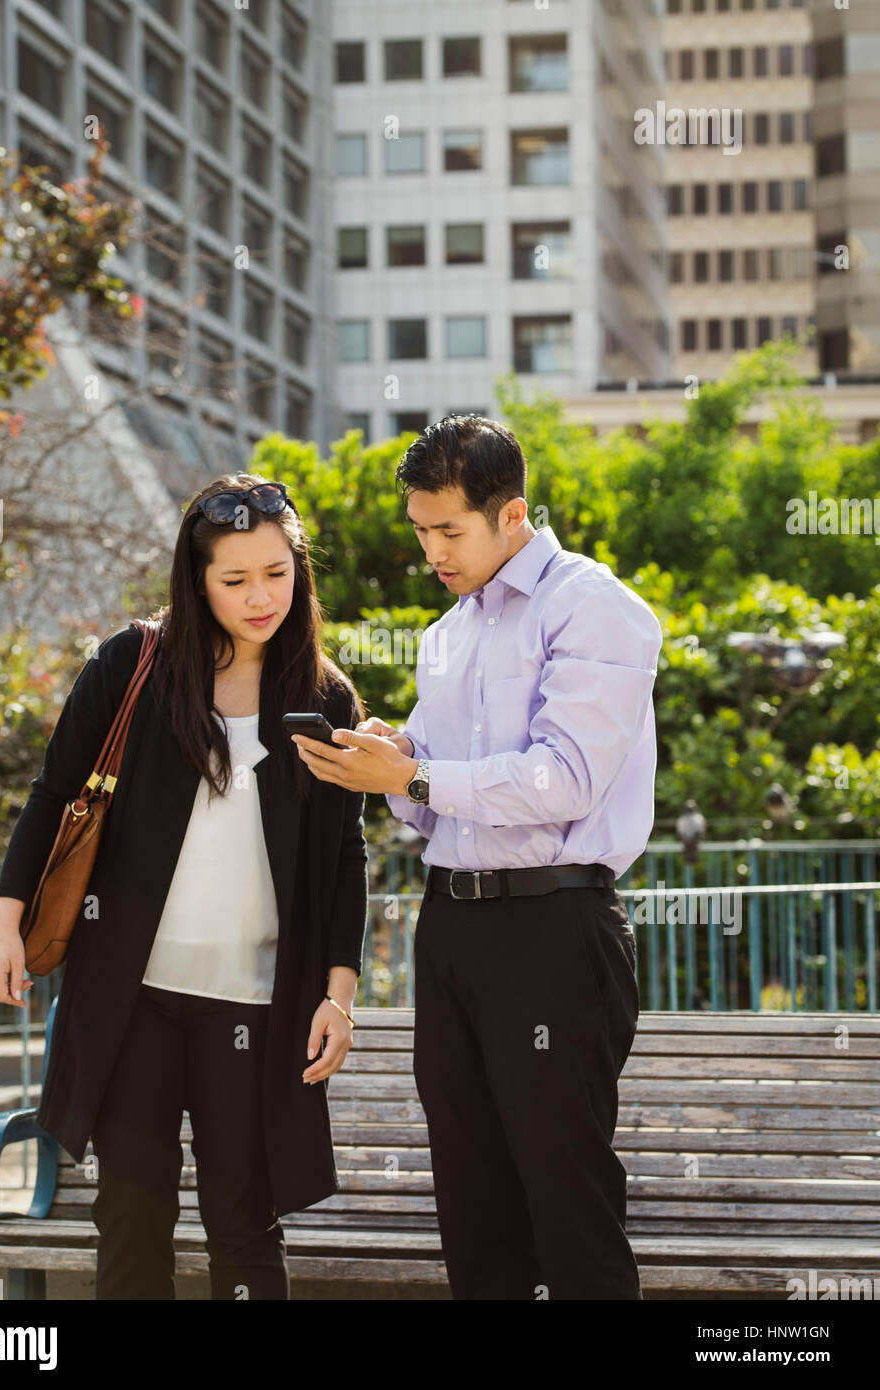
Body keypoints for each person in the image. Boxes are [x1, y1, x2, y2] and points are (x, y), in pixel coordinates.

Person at [291, 416, 662, 1300]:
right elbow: (432, 805)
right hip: (450, 924)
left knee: (565, 1193)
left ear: (512, 514)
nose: (432, 553)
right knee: (470, 1194)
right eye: (420, 532)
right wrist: (386, 760)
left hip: (554, 923)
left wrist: (416, 775)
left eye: (449, 531)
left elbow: (563, 778)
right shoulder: (446, 635)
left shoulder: (594, 604)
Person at [0, 475, 369, 1300]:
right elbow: (53, 794)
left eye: (276, 572)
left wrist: (339, 993)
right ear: (196, 582)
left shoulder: (322, 696)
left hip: (256, 1007)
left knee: (243, 1225)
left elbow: (345, 856)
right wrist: (5, 923)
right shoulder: (133, 665)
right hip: (137, 999)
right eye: (234, 580)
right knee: (130, 1213)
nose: (260, 597)